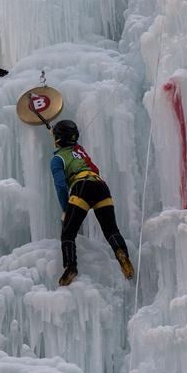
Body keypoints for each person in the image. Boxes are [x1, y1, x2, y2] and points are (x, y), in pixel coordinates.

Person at [48, 119, 135, 286]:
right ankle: (122, 255)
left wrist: (66, 208)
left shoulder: (57, 159)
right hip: (101, 186)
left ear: (58, 139)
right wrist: (57, 133)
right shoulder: (81, 151)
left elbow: (60, 185)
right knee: (111, 229)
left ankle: (70, 267)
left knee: (68, 232)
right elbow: (71, 142)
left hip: (82, 187)